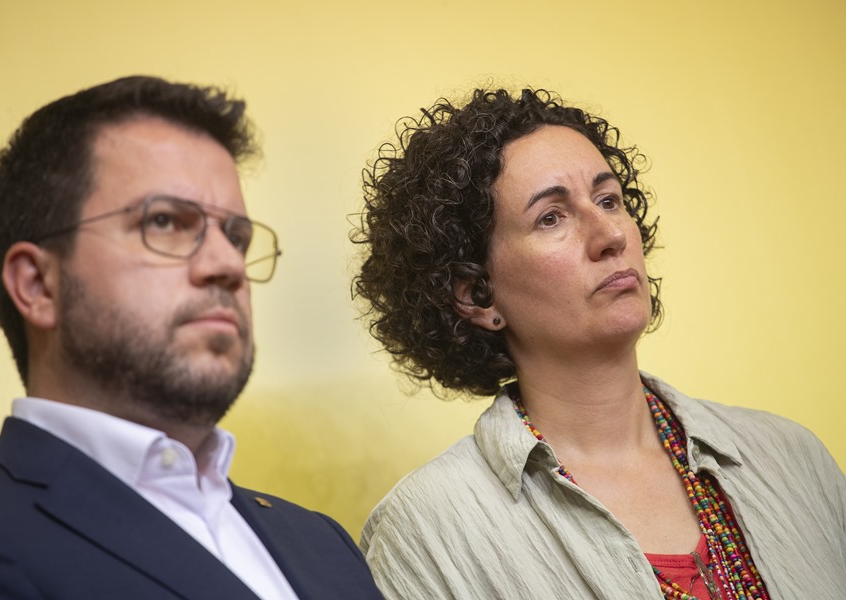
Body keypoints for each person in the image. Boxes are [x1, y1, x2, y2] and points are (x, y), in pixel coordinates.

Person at [352, 88, 845, 599]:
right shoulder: (426, 532)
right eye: (551, 217)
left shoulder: (791, 457)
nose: (611, 234)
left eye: (609, 200)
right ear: (476, 294)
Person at [0, 75, 382, 600]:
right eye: (165, 222)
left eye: (236, 237)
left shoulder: (323, 541)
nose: (228, 265)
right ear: (38, 284)